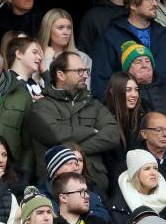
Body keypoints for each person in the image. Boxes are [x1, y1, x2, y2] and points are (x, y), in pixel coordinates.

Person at [28, 51, 120, 191]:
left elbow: (113, 135)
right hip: (57, 188)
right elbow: (55, 134)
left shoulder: (94, 104)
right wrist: (92, 131)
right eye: (79, 71)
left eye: (85, 70)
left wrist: (78, 151)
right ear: (61, 75)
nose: (85, 75)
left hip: (95, 184)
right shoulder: (42, 106)